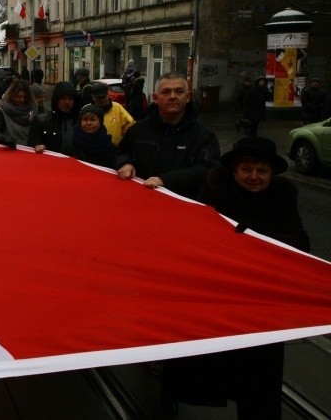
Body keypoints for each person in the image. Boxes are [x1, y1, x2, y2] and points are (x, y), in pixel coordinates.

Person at [161, 137, 309, 418]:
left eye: (262, 171)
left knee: (259, 381)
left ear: (271, 173)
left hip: (263, 303)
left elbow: (300, 242)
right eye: (247, 169)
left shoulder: (283, 196)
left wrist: (257, 236)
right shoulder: (214, 193)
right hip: (219, 297)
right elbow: (195, 239)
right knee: (202, 360)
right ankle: (170, 398)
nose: (254, 177)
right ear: (234, 170)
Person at [116, 72, 221, 200]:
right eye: (166, 92)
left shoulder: (203, 135)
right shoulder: (138, 130)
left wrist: (165, 180)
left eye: (179, 91)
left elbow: (208, 170)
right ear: (155, 97)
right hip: (141, 201)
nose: (172, 96)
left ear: (187, 97)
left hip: (183, 206)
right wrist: (125, 163)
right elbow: (119, 152)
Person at [28, 81, 80, 156]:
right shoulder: (41, 120)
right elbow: (32, 142)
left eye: (70, 99)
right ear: (56, 100)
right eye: (62, 98)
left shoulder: (81, 121)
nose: (67, 102)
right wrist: (37, 145)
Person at [0, 81, 37, 149]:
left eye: (25, 97)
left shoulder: (34, 108)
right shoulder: (2, 112)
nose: (22, 100)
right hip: (12, 151)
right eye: (19, 97)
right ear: (11, 96)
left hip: (30, 151)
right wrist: (6, 140)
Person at [72, 104, 119, 168]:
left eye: (93, 119)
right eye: (85, 119)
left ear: (101, 122)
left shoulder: (110, 148)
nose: (89, 123)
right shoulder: (71, 146)